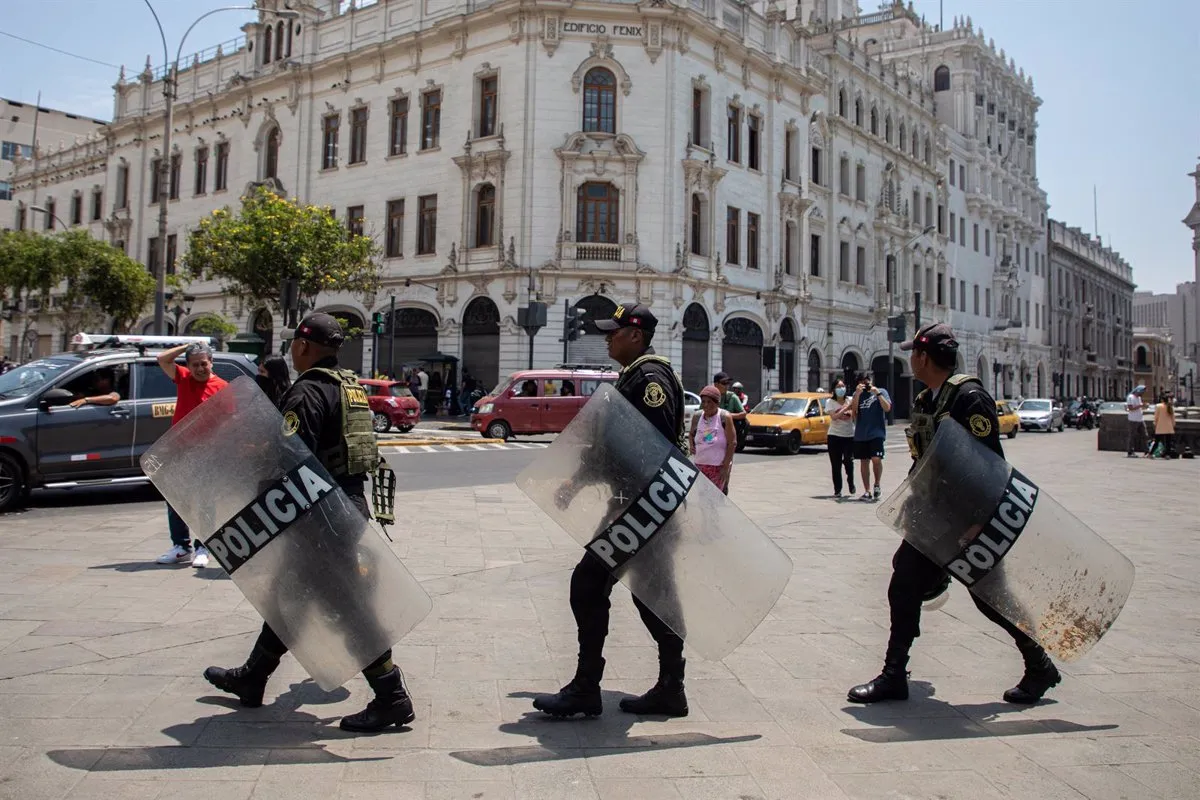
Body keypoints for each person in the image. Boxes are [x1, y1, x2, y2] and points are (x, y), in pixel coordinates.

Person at [203, 313, 414, 733]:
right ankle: (254, 677)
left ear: (302, 346)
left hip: (320, 514)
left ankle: (392, 697)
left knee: (346, 605)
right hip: (346, 505)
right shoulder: (348, 386)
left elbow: (292, 458)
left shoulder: (307, 392)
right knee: (288, 595)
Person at [848, 322, 1060, 706]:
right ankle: (894, 675)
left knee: (989, 596)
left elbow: (991, 464)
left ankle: (1039, 664)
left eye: (913, 353)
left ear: (924, 357)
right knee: (905, 584)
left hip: (968, 520)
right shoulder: (927, 399)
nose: (910, 360)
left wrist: (980, 521)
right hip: (933, 519)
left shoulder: (969, 398)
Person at [533, 302, 689, 719]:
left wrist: (626, 505)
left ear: (635, 335)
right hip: (643, 509)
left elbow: (645, 448)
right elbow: (612, 444)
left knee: (590, 585)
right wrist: (577, 481)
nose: (607, 337)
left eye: (614, 331)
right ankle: (671, 687)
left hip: (641, 509)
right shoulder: (637, 376)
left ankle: (588, 687)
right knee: (652, 595)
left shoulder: (649, 378)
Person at [155, 341, 228, 568]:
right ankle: (181, 547)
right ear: (188, 365)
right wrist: (187, 344)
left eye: (203, 364)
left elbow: (230, 423)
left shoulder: (222, 387)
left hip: (208, 454)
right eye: (195, 364)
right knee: (175, 499)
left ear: (211, 363)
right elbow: (162, 359)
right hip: (180, 451)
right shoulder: (183, 378)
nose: (199, 368)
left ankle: (203, 547)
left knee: (206, 502)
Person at [850, 371, 892, 501]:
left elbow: (887, 408)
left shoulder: (881, 391)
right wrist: (857, 394)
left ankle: (877, 484)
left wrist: (877, 393)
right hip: (861, 433)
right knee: (864, 461)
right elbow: (854, 413)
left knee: (876, 459)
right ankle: (867, 490)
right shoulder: (856, 395)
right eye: (862, 382)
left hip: (877, 432)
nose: (865, 384)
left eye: (867, 381)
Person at [689, 384, 736, 494]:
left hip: (718, 467)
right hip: (700, 466)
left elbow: (732, 443)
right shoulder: (697, 416)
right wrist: (691, 445)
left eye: (710, 402)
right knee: (702, 499)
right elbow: (691, 434)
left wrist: (725, 467)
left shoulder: (725, 417)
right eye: (703, 401)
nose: (706, 405)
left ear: (717, 402)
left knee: (714, 501)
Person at [824, 378, 856, 498]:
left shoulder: (850, 400)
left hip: (848, 435)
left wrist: (849, 411)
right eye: (838, 387)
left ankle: (851, 482)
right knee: (835, 464)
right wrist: (845, 409)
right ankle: (837, 489)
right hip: (834, 436)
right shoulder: (830, 402)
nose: (841, 389)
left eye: (842, 386)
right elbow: (834, 417)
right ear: (834, 389)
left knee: (849, 460)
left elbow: (854, 414)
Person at [1125, 384, 1147, 457]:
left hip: (1140, 419)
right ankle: (1130, 451)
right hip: (1133, 419)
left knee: (1145, 435)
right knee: (1132, 436)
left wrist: (1143, 407)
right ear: (1138, 391)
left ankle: (1146, 451)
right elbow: (1131, 408)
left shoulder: (1139, 398)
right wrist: (1140, 406)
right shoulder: (1131, 397)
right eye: (1142, 392)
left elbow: (1138, 408)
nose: (1143, 393)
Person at [1153, 392, 1175, 458]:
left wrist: (1155, 424)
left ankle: (1151, 454)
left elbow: (1156, 417)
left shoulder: (1159, 406)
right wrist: (1173, 425)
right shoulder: (1170, 407)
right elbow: (1173, 418)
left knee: (1156, 442)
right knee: (1168, 442)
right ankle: (1167, 455)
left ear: (1162, 400)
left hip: (1160, 426)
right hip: (1169, 427)